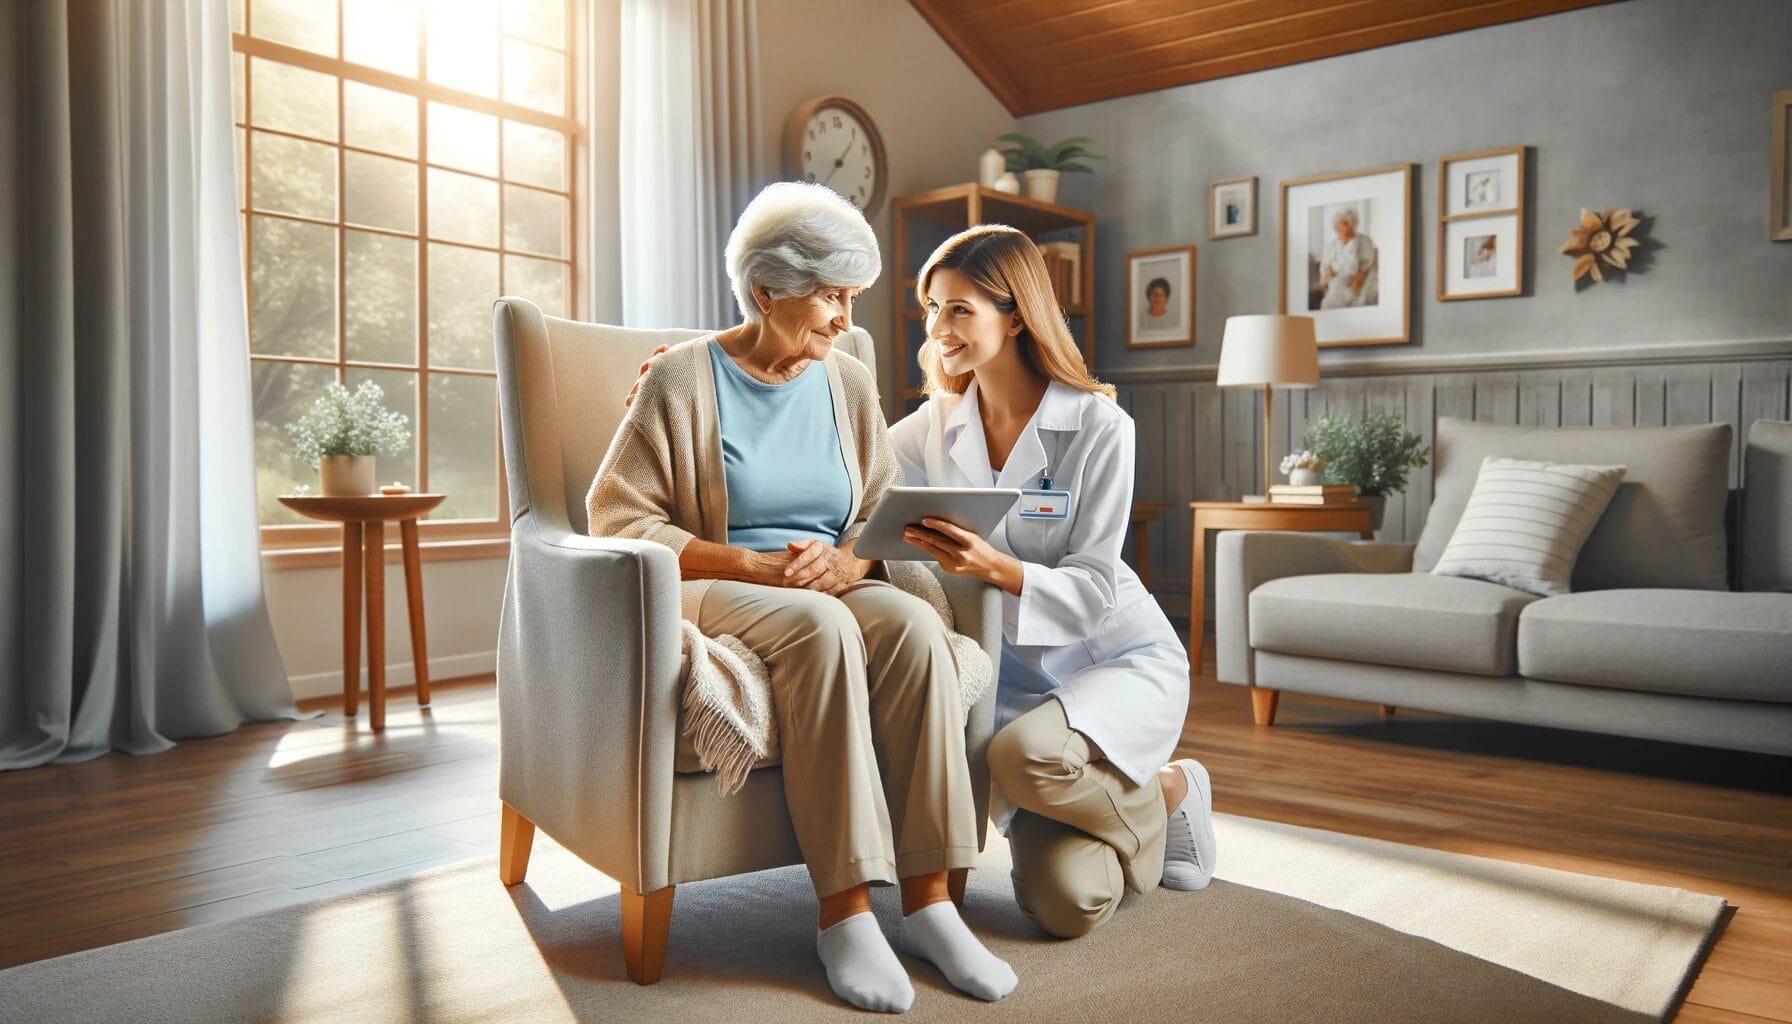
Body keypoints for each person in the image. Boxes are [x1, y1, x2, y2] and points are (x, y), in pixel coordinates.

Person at [587, 182, 1015, 1013]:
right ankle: (845, 914)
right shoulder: (679, 380)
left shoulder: (847, 380)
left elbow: (875, 510)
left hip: (827, 580)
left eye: (851, 296)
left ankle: (930, 903)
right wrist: (753, 568)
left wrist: (854, 564)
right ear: (765, 292)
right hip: (720, 584)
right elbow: (617, 516)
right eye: (830, 295)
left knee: (916, 628)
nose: (843, 315)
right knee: (823, 631)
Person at [889, 225, 1217, 940]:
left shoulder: (1100, 426)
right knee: (1068, 908)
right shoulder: (928, 430)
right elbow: (846, 464)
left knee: (1020, 756)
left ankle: (1176, 783)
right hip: (1010, 680)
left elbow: (1096, 589)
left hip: (1114, 659)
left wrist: (994, 568)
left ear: (1015, 315)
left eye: (958, 309)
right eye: (930, 311)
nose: (937, 329)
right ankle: (1156, 799)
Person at [1316, 205, 1378, 309]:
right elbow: (1325, 273)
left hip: (1357, 284)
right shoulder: (1331, 246)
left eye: (1348, 223)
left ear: (1353, 224)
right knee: (1329, 303)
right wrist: (1328, 276)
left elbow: (1363, 270)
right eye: (1339, 224)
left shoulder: (1364, 241)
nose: (1339, 228)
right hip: (1335, 285)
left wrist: (1352, 290)